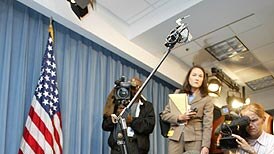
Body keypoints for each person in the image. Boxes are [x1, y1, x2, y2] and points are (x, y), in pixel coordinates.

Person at [161, 65, 215, 154]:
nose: (197, 78)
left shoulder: (207, 99)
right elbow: (164, 115)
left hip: (196, 138)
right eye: (194, 75)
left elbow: (207, 124)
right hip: (176, 136)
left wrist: (205, 146)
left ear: (203, 80)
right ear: (188, 77)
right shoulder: (177, 93)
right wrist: (179, 117)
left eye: (200, 76)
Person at [102, 77, 155, 154]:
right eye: (133, 87)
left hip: (137, 148)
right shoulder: (118, 103)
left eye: (138, 87)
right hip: (118, 147)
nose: (136, 89)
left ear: (142, 88)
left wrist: (132, 121)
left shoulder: (147, 106)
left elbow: (149, 126)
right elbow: (105, 126)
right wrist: (116, 115)